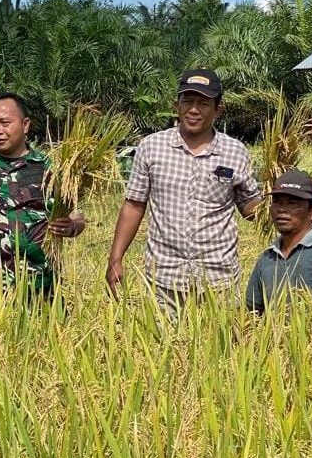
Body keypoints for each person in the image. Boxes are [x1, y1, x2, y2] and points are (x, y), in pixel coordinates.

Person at [106, 69, 262, 318]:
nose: (194, 109)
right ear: (176, 105)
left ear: (218, 110)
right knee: (160, 341)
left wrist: (277, 204)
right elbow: (134, 205)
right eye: (187, 101)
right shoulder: (151, 147)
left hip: (218, 279)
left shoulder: (235, 152)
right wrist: (115, 258)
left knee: (220, 343)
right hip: (164, 277)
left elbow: (249, 206)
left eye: (203, 103)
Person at [0, 93, 86, 309]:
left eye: (5, 123)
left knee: (46, 330)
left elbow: (77, 216)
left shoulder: (51, 170)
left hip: (40, 283)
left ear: (25, 125)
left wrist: (71, 226)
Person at [245, 169, 312, 314]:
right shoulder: (267, 257)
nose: (282, 210)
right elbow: (252, 313)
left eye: (292, 203)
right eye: (277, 202)